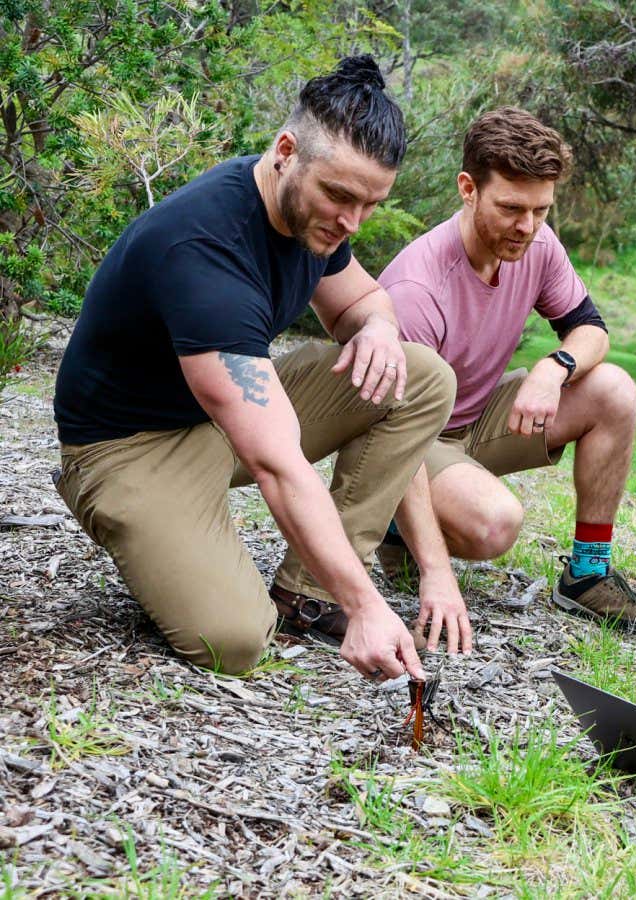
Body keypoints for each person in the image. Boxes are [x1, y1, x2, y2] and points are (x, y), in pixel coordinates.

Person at [52, 57, 455, 681]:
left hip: (219, 416)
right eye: (341, 197)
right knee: (233, 641)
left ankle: (305, 594)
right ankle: (317, 587)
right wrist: (367, 604)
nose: (351, 221)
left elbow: (363, 300)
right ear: (286, 151)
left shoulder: (310, 217)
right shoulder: (204, 248)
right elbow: (277, 463)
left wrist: (377, 327)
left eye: (371, 204)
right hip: (129, 449)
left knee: (422, 377)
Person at [377, 107, 636, 648]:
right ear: (467, 189)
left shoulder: (538, 244)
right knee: (495, 524)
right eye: (510, 208)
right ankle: (396, 530)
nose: (526, 227)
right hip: (411, 440)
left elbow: (591, 330)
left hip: (475, 421)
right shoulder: (417, 288)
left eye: (540, 210)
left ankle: (588, 574)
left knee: (613, 389)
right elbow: (391, 432)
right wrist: (439, 573)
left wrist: (556, 367)